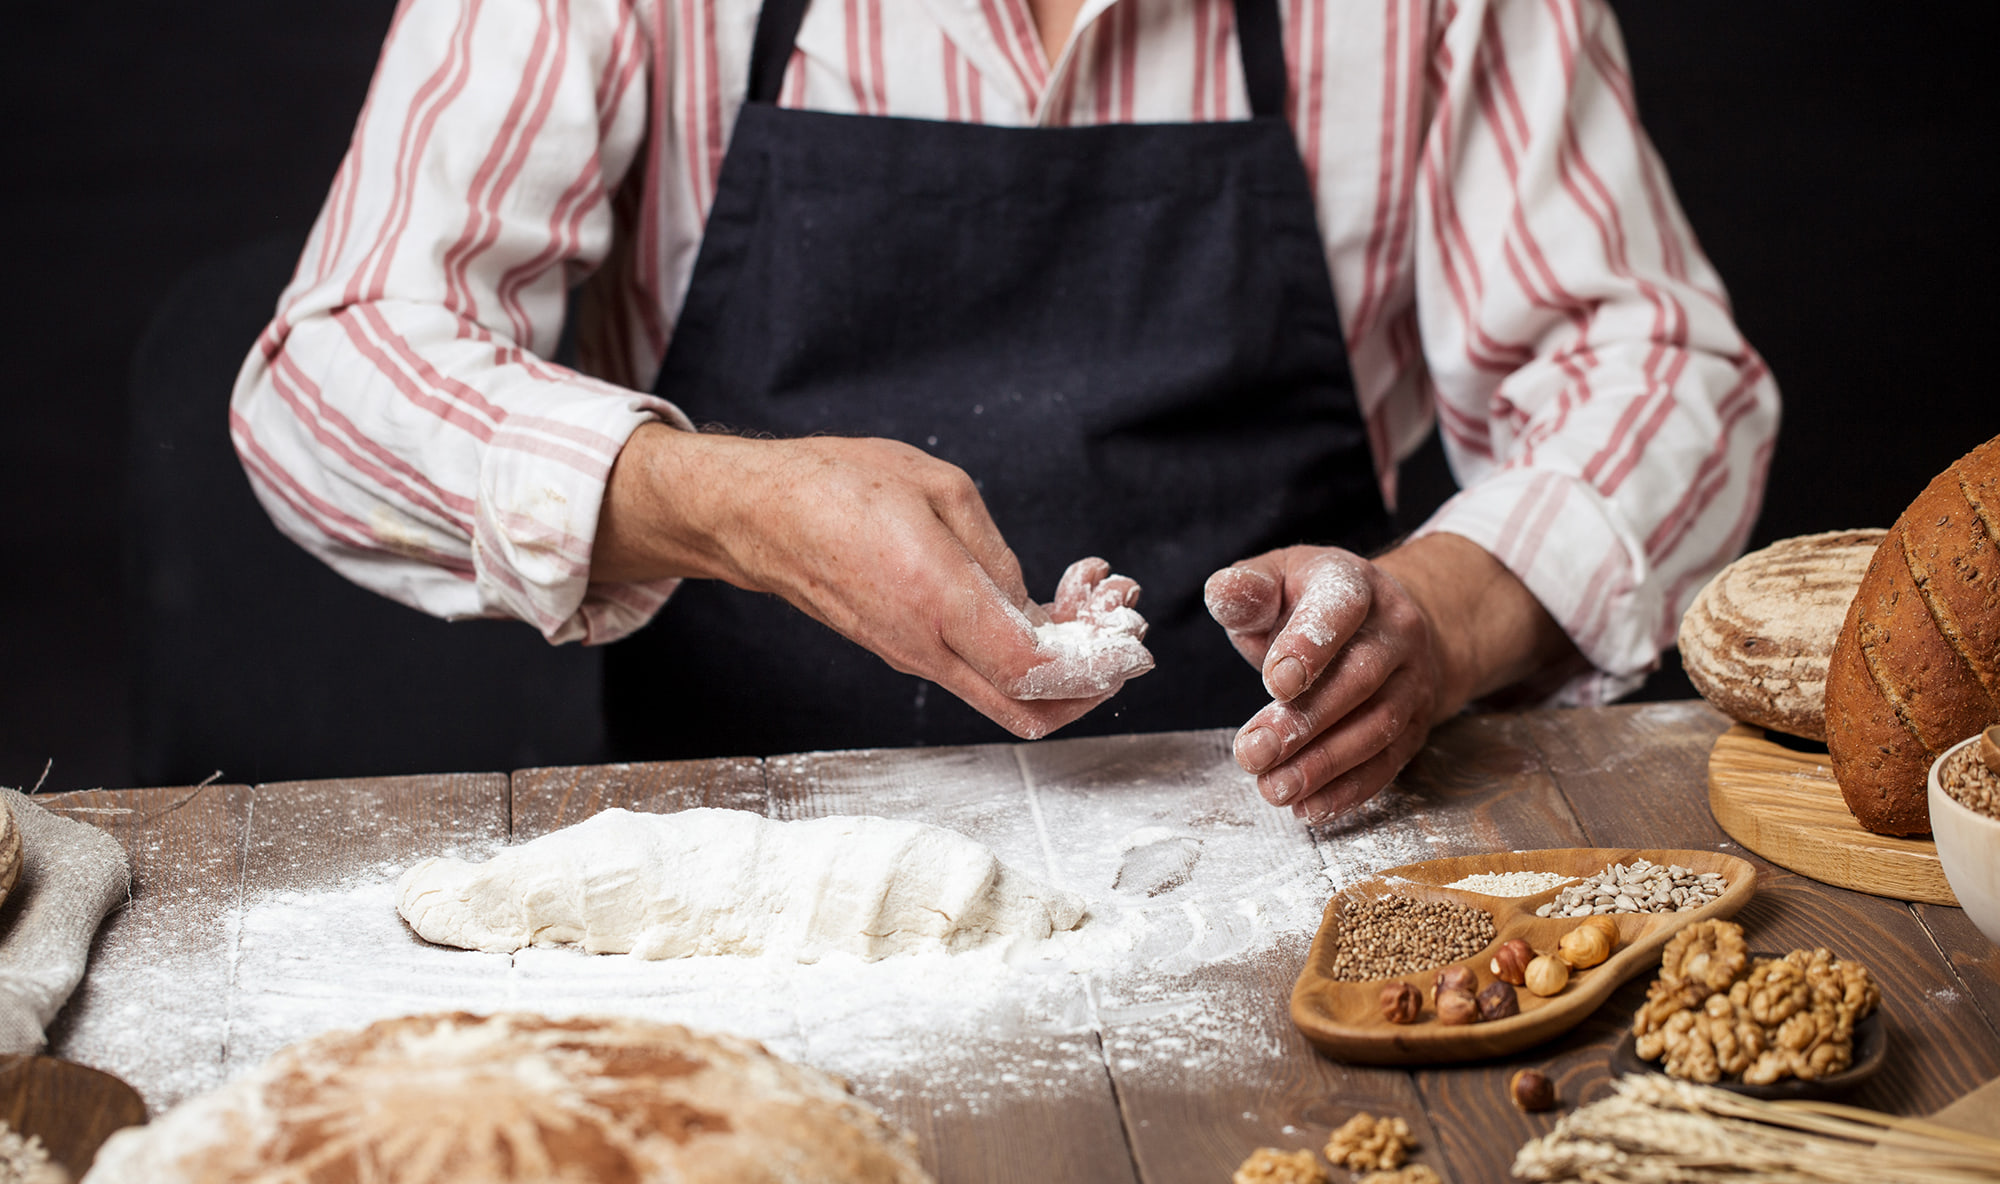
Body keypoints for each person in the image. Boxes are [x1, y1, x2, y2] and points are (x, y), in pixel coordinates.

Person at [230, 0, 1776, 823]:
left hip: (1286, 867)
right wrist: (734, 506)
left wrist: (1439, 616)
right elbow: (333, 370)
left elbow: (1660, 371)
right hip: (739, 870)